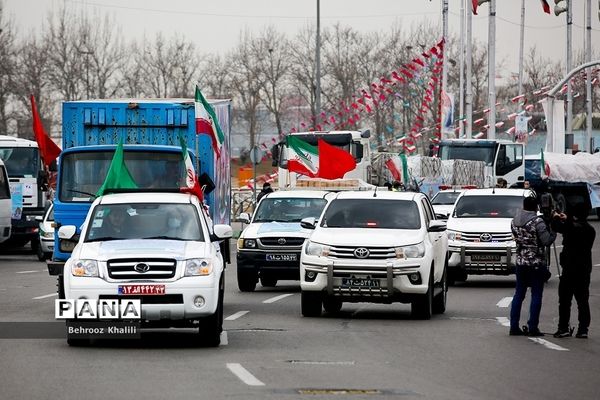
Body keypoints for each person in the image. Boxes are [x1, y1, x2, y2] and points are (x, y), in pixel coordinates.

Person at [509, 196, 557, 336]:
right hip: (535, 262)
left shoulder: (514, 221)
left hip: (520, 262)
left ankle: (514, 326)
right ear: (536, 207)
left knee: (519, 294)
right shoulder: (537, 221)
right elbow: (546, 241)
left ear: (523, 206)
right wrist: (553, 231)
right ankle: (533, 327)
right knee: (536, 294)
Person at [551, 204, 596, 339]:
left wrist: (555, 217)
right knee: (583, 300)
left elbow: (556, 227)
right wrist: (568, 219)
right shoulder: (590, 230)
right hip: (584, 270)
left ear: (574, 215)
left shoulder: (570, 228)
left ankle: (563, 328)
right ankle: (583, 329)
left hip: (569, 270)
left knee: (565, 301)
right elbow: (574, 226)